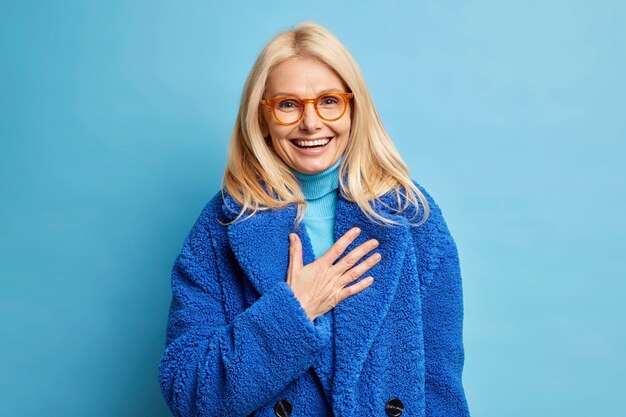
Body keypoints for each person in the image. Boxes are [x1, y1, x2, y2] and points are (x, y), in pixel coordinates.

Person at [158, 21, 470, 417]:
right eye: (288, 105)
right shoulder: (219, 228)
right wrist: (292, 311)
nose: (311, 123)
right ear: (262, 119)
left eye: (329, 101)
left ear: (353, 109)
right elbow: (189, 394)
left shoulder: (413, 217)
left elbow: (441, 387)